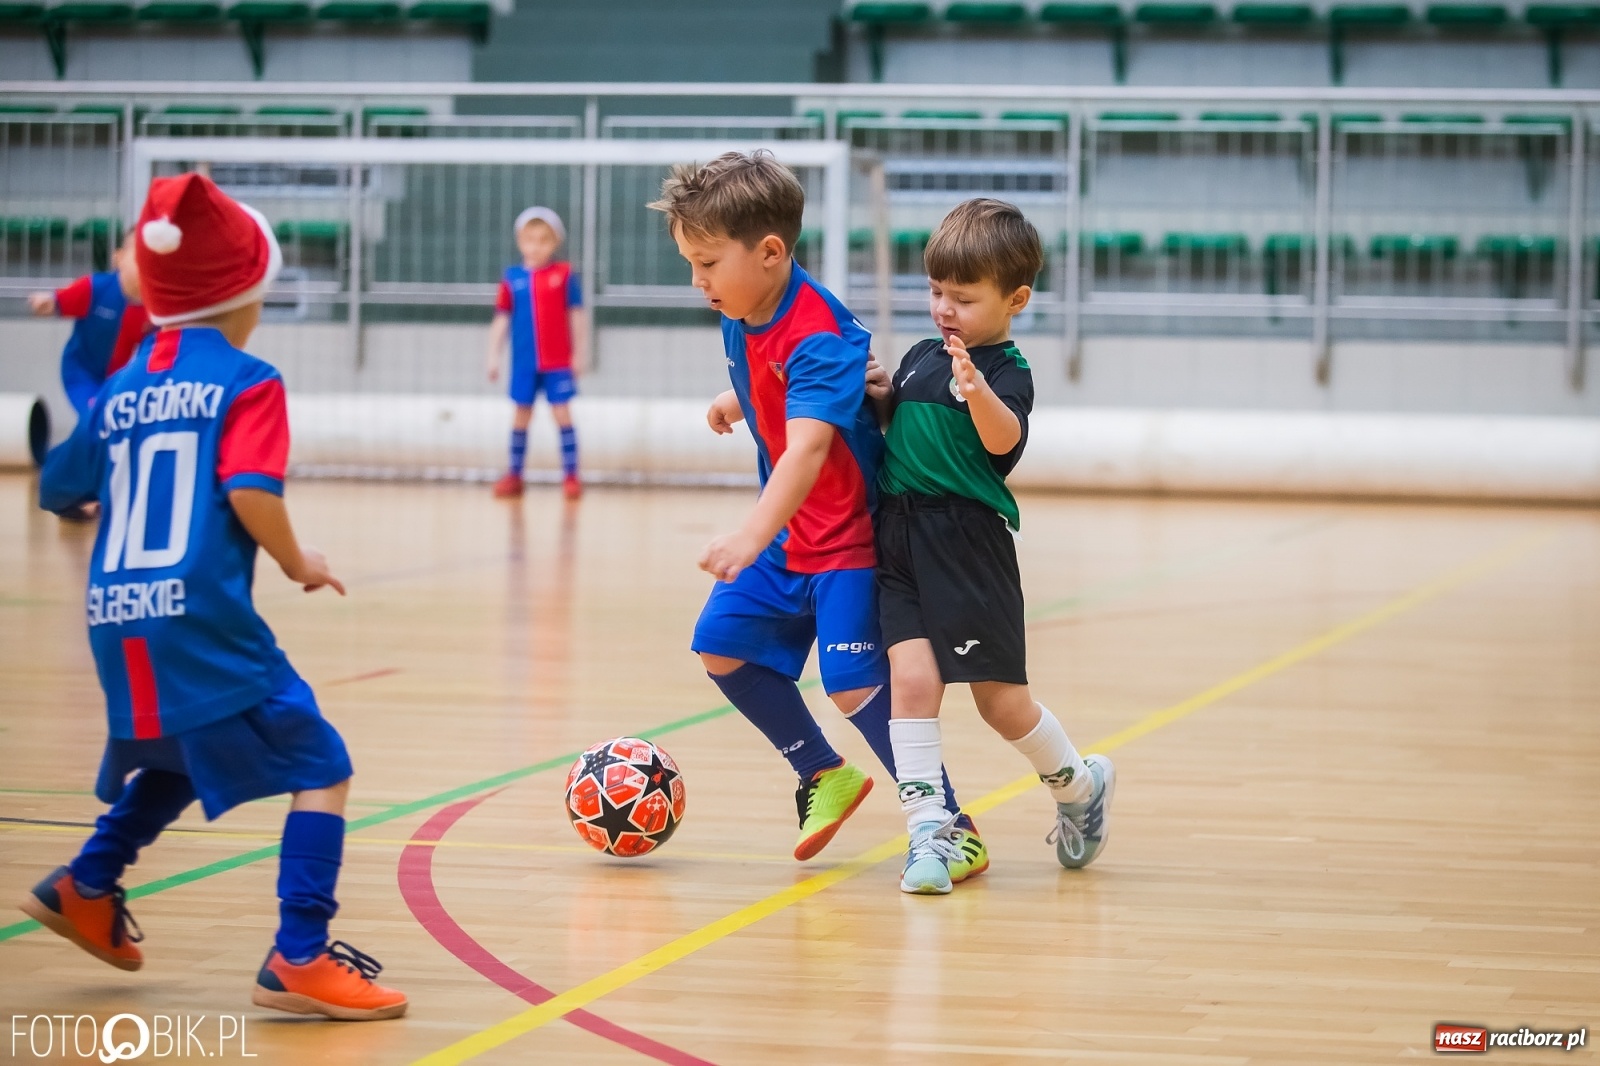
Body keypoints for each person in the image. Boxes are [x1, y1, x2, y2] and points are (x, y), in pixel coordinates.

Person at [21, 172, 408, 1020]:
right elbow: (250, 491)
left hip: (116, 621)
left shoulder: (121, 384)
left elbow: (57, 488)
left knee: (181, 751)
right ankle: (300, 954)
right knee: (324, 764)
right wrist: (299, 560)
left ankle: (88, 884)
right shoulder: (247, 379)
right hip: (198, 617)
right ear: (249, 292)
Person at [650, 150, 984, 874]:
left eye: (707, 262)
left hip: (848, 540)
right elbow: (780, 376)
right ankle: (822, 771)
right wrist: (738, 398)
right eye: (691, 263)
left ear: (770, 252)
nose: (697, 281)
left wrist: (749, 534)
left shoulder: (820, 331)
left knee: (854, 683)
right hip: (790, 536)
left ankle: (951, 823)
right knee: (723, 647)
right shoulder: (743, 308)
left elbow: (806, 449)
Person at [869, 198, 1116, 895]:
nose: (944, 309)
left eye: (964, 298)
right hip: (898, 539)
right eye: (936, 292)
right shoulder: (923, 356)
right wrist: (879, 395)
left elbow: (1004, 440)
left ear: (1016, 299)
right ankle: (927, 833)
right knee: (912, 684)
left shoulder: (1006, 371)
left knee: (1000, 704)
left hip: (966, 548)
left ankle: (1078, 785)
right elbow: (902, 426)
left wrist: (976, 389)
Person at [29, 231, 152, 520]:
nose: (146, 263)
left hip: (117, 381)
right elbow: (59, 301)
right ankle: (60, 474)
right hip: (81, 373)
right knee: (97, 419)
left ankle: (92, 491)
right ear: (118, 258)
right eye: (139, 254)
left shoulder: (154, 307)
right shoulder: (95, 288)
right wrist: (47, 303)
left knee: (113, 427)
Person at [487, 206, 586, 500]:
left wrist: (579, 353)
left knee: (563, 414)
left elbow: (576, 314)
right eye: (530, 239)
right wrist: (493, 356)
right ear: (520, 241)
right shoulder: (512, 278)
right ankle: (514, 474)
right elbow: (501, 319)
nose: (536, 245)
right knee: (520, 416)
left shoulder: (564, 275)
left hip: (557, 363)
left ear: (555, 242)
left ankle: (571, 476)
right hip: (524, 364)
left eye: (544, 239)